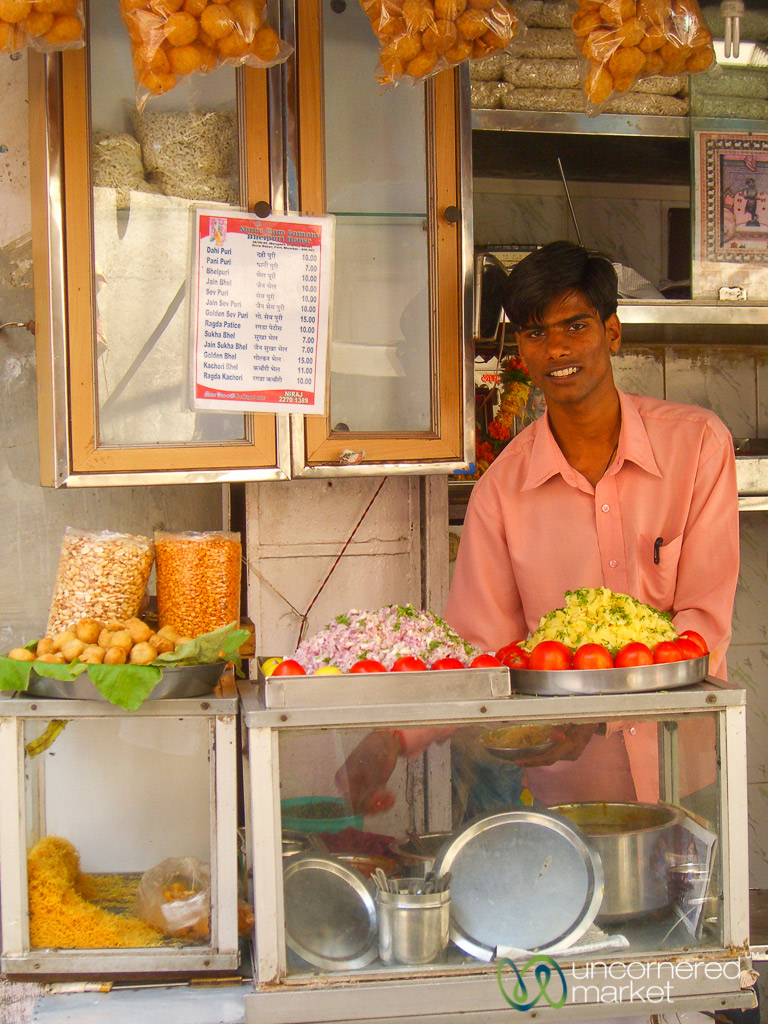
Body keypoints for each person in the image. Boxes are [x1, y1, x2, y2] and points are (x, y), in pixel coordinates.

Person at [336, 240, 739, 816]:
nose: (556, 349)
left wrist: (597, 717)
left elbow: (703, 624)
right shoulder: (501, 492)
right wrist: (395, 738)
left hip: (683, 774)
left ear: (613, 332)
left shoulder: (698, 446)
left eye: (575, 326)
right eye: (533, 333)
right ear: (519, 351)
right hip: (566, 798)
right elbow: (481, 651)